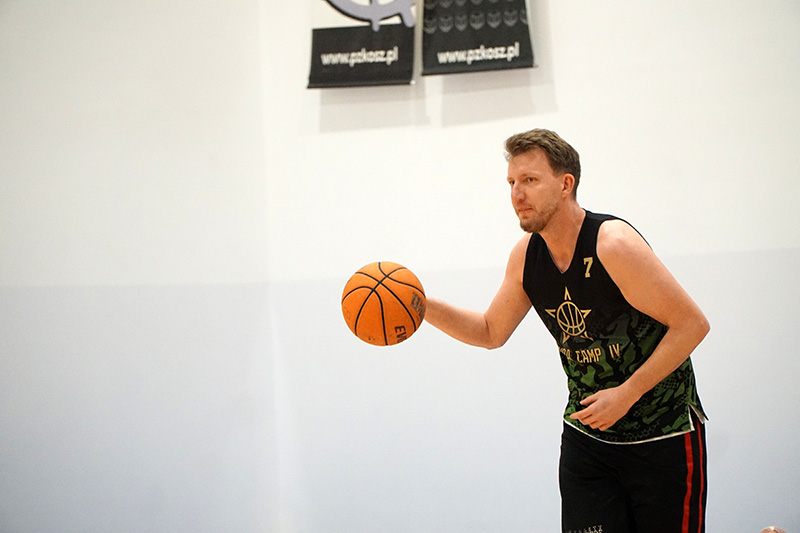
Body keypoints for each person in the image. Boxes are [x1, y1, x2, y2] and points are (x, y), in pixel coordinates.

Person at [424, 129, 710, 532]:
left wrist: (628, 393)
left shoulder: (612, 243)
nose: (517, 194)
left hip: (662, 433)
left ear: (565, 184)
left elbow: (692, 325)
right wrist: (420, 306)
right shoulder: (527, 256)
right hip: (587, 439)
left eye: (529, 180)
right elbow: (490, 331)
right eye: (511, 182)